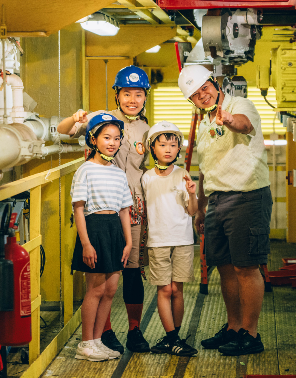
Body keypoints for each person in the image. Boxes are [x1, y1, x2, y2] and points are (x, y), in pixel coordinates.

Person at [177, 64, 272, 356]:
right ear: (191, 101)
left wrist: (229, 119)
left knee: (246, 267)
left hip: (247, 196)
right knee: (225, 268)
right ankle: (233, 327)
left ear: (214, 83)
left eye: (204, 88)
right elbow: (206, 170)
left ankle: (251, 334)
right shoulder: (204, 123)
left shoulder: (238, 105)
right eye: (195, 95)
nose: (202, 95)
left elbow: (243, 124)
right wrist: (202, 208)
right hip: (218, 200)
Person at [57, 65, 152, 353]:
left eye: (138, 94)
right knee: (104, 274)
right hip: (99, 207)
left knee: (132, 269)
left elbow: (156, 165)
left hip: (132, 206)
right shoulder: (102, 120)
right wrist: (74, 119)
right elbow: (64, 133)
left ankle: (134, 329)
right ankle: (104, 332)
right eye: (126, 94)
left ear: (145, 97)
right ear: (117, 95)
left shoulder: (148, 130)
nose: (132, 100)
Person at [70, 112, 133, 362]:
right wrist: (86, 243)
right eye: (106, 137)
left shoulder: (118, 173)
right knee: (95, 289)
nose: (112, 142)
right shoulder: (85, 170)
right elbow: (78, 208)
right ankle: (85, 343)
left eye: (117, 138)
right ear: (93, 140)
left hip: (114, 229)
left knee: (110, 289)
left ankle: (97, 341)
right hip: (94, 228)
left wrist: (128, 242)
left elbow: (125, 210)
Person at [140, 121, 199, 356]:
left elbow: (192, 211)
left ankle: (172, 338)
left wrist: (193, 194)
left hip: (183, 240)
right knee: (164, 290)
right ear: (152, 148)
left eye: (172, 145)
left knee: (177, 290)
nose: (167, 149)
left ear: (178, 149)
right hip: (157, 241)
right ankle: (174, 339)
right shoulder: (146, 178)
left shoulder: (183, 174)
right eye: (162, 144)